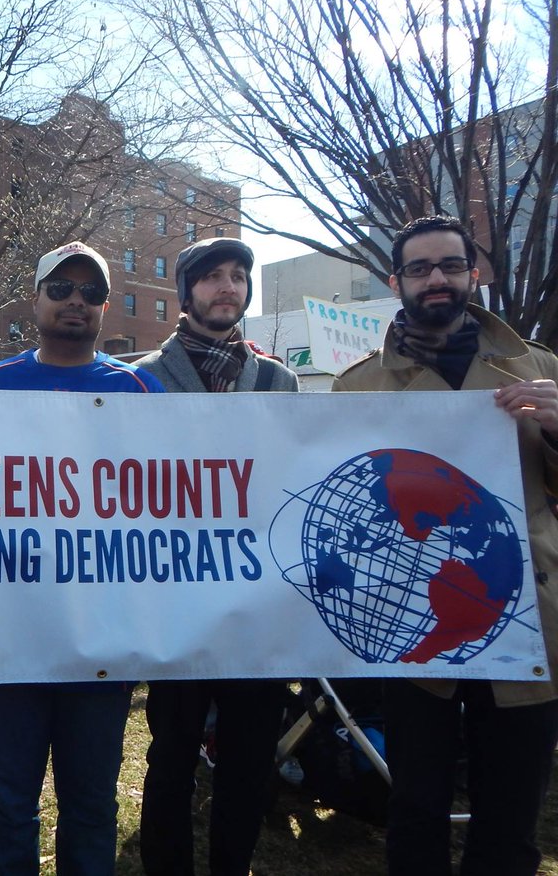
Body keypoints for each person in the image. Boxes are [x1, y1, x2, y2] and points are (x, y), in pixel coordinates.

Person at [333, 215, 558, 875]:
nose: (438, 279)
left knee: (511, 816)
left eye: (451, 266)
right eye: (422, 268)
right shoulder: (356, 388)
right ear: (396, 280)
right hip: (414, 622)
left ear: (474, 274)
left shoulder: (541, 369)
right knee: (417, 809)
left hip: (527, 621)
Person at [0, 240, 164, 875]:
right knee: (7, 804)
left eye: (90, 292)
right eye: (60, 289)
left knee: (90, 804)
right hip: (10, 643)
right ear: (36, 299)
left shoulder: (140, 389)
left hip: (101, 644)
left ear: (105, 306)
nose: (75, 301)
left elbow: (173, 499)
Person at [134, 237, 297, 876]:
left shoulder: (279, 381)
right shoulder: (140, 378)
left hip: (259, 605)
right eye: (211, 277)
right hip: (174, 603)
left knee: (249, 757)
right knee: (170, 754)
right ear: (185, 292)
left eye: (237, 276)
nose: (227, 287)